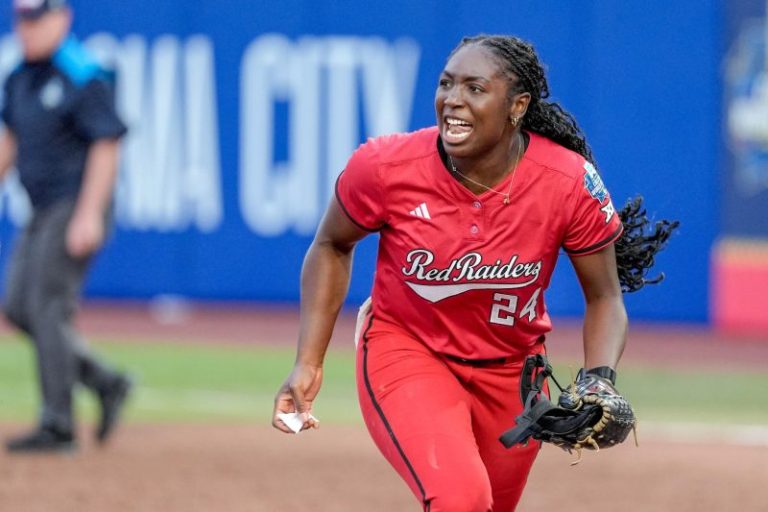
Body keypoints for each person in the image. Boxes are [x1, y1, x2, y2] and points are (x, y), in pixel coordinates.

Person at [272, 34, 675, 511]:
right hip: (408, 350)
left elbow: (605, 297)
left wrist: (599, 378)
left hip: (512, 372)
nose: (453, 100)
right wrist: (309, 360)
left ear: (517, 106)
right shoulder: (386, 167)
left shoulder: (567, 181)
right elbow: (331, 244)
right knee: (459, 499)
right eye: (446, 84)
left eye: (475, 88)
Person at [0, 0, 132, 453]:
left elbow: (106, 144)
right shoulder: (20, 75)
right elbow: (9, 141)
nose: (26, 26)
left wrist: (89, 213)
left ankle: (57, 424)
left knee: (48, 307)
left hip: (75, 204)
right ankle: (105, 380)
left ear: (62, 18)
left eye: (36, 16)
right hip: (40, 209)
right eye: (20, 16)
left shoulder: (82, 72)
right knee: (18, 306)